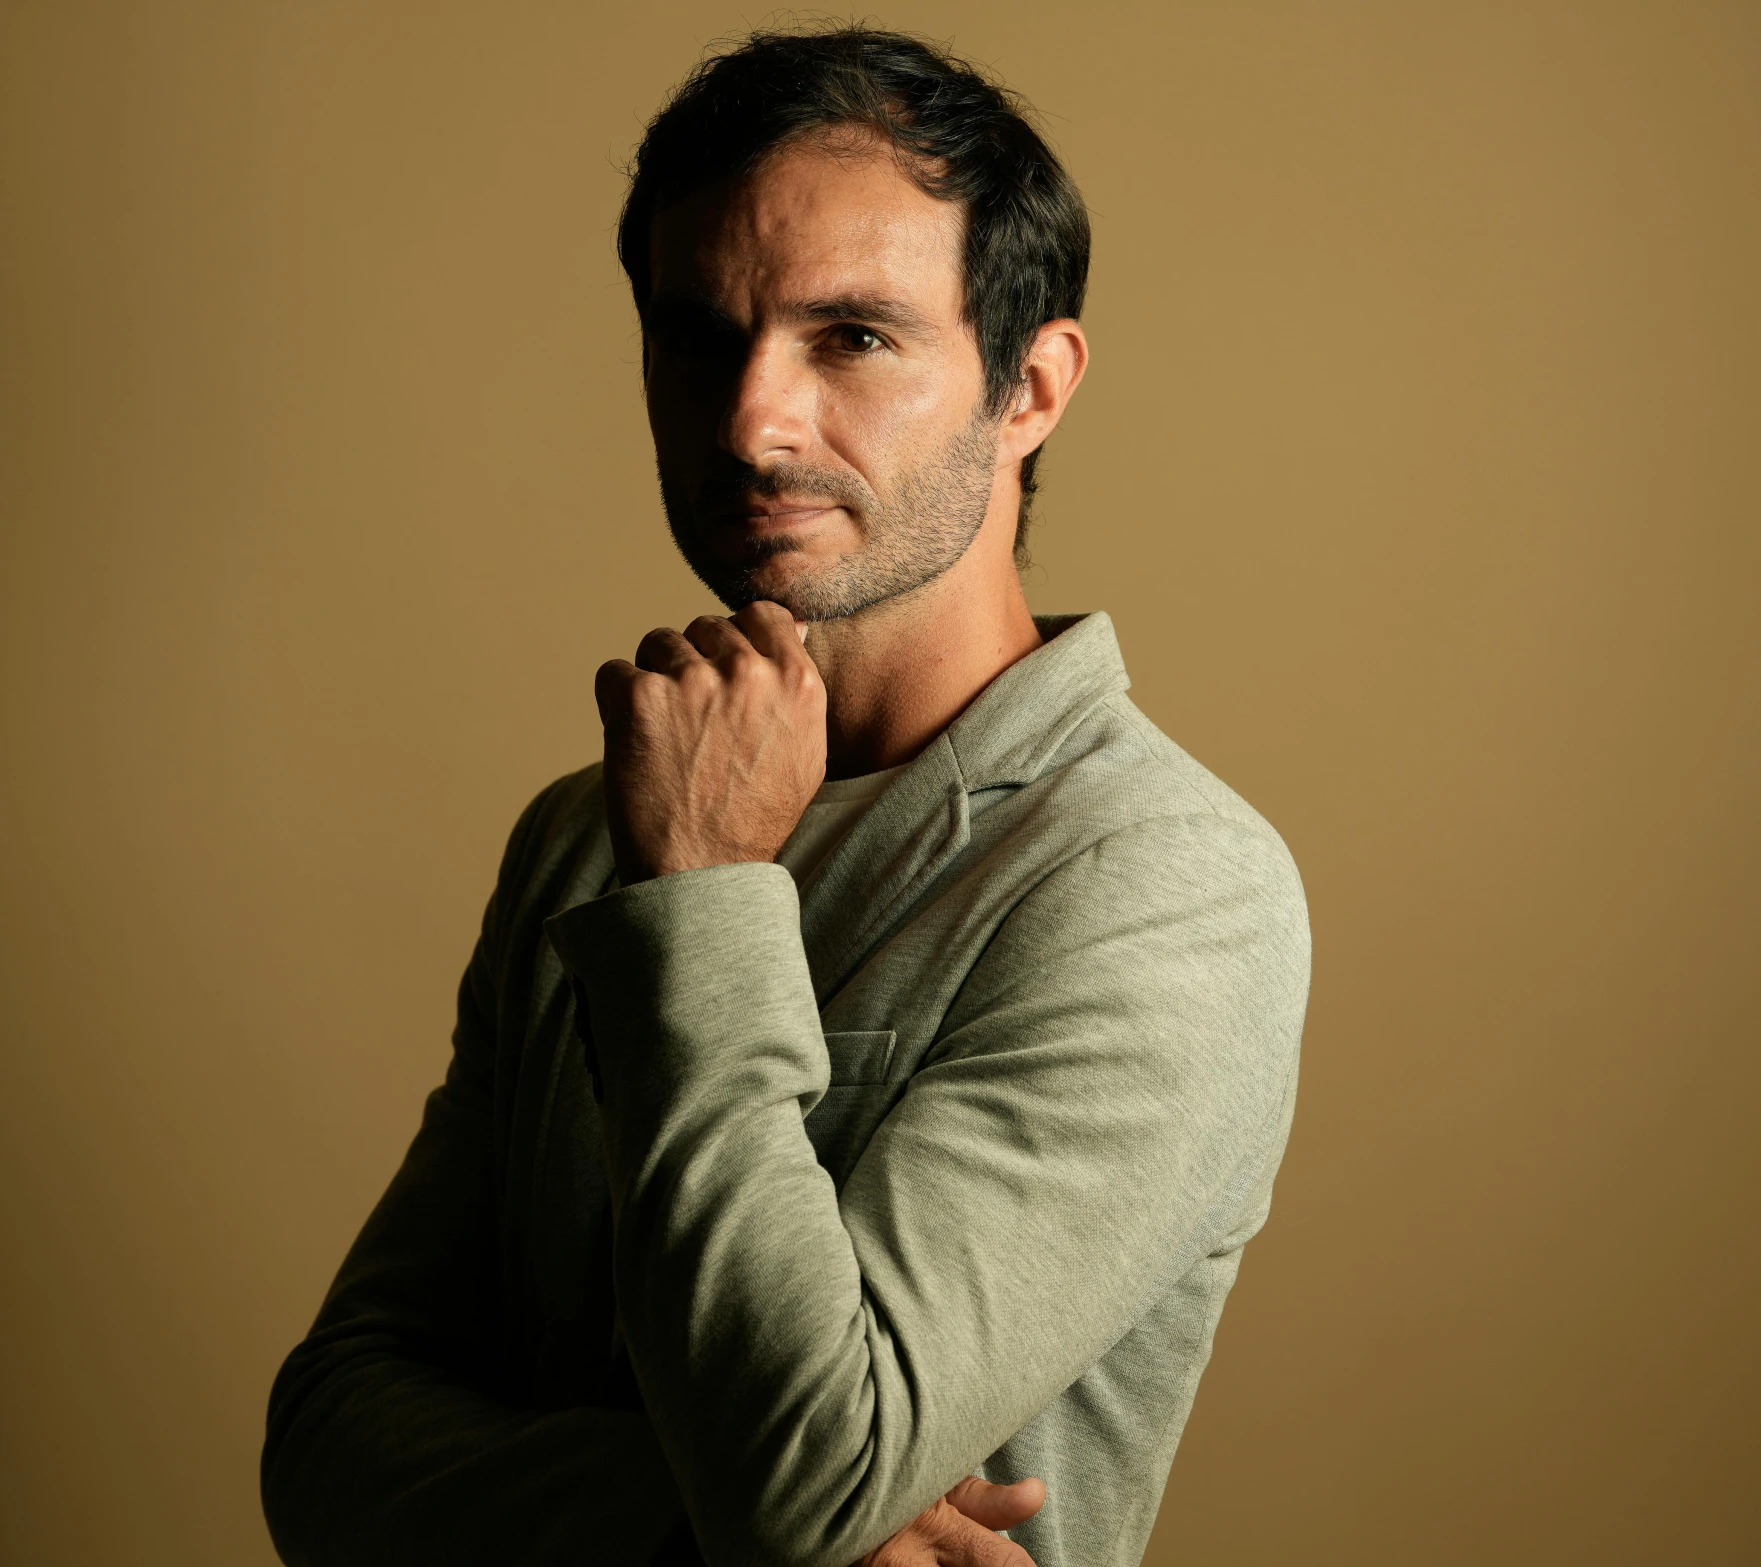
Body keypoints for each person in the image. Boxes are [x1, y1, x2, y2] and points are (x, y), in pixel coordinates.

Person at [258, 26, 1310, 1567]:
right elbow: (327, 1435)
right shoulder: (579, 831)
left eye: (854, 338)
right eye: (697, 335)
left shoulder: (1164, 882)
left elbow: (804, 1474)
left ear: (1029, 385)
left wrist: (696, 900)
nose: (754, 421)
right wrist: (719, 1527)